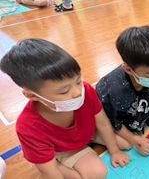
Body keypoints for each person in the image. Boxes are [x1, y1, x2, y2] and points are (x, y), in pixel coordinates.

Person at [0, 39, 130, 179]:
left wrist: (115, 151)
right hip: (65, 149)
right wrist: (52, 168)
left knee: (126, 144)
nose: (77, 92)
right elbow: (50, 173)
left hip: (87, 133)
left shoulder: (85, 90)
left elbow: (102, 122)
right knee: (96, 173)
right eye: (63, 91)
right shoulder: (28, 127)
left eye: (78, 81)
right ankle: (53, 161)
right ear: (32, 95)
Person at [96, 26, 149, 156]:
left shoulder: (148, 70)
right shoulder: (117, 92)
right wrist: (135, 140)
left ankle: (144, 124)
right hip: (115, 113)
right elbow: (115, 122)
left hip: (139, 94)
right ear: (128, 69)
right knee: (128, 143)